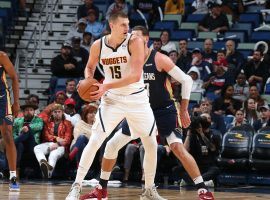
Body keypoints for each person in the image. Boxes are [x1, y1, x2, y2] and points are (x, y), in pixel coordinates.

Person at [74, 26, 215, 200]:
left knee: (177, 147)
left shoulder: (159, 59)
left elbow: (186, 80)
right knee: (112, 145)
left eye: (137, 38)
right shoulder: (127, 60)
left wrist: (185, 109)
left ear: (146, 40)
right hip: (139, 111)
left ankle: (202, 189)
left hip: (164, 111)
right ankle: (102, 189)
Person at [66, 12, 165, 200]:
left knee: (151, 142)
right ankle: (76, 186)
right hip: (112, 99)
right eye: (122, 25)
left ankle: (149, 189)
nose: (127, 28)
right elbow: (89, 66)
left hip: (136, 98)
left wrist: (104, 86)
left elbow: (136, 75)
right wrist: (89, 80)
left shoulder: (134, 41)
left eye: (128, 24)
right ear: (112, 25)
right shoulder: (98, 45)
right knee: (95, 140)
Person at [0, 51, 20, 191]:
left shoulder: (2, 56)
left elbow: (14, 77)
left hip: (2, 100)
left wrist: (16, 102)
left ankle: (13, 175)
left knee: (7, 134)